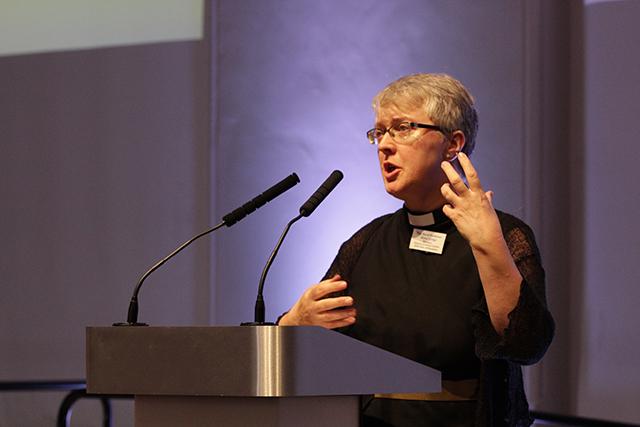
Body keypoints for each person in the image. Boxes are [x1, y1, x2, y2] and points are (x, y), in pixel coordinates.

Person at [278, 73, 554, 427]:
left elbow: (527, 344)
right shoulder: (366, 241)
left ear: (453, 144)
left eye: (402, 128)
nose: (384, 145)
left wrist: (490, 246)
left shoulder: (505, 234)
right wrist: (293, 322)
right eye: (379, 132)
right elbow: (314, 343)